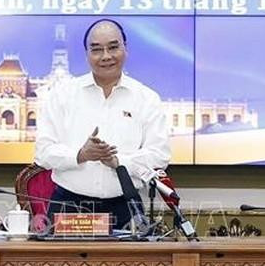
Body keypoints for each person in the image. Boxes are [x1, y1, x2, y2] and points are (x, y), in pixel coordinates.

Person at [35, 19, 171, 230]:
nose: (106, 56)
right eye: (97, 49)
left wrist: (119, 161)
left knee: (131, 264)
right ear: (87, 54)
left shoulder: (146, 98)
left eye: (113, 47)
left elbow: (159, 155)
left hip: (125, 206)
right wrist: (81, 155)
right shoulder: (62, 95)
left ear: (126, 48)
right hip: (70, 207)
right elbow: (43, 153)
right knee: (62, 264)